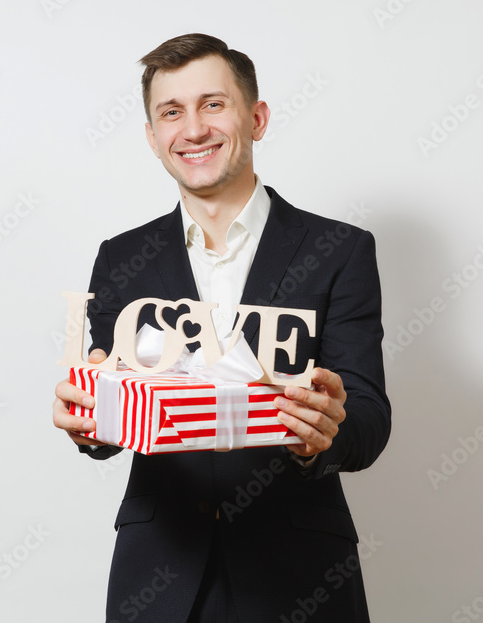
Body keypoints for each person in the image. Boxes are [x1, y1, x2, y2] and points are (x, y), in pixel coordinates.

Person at [53, 33, 391, 622]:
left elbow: (368, 417)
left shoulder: (339, 250)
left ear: (256, 119)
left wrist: (327, 431)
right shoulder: (121, 258)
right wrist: (88, 421)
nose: (193, 129)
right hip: (159, 573)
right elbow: (111, 403)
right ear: (153, 137)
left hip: (301, 573)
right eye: (171, 112)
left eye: (213, 104)